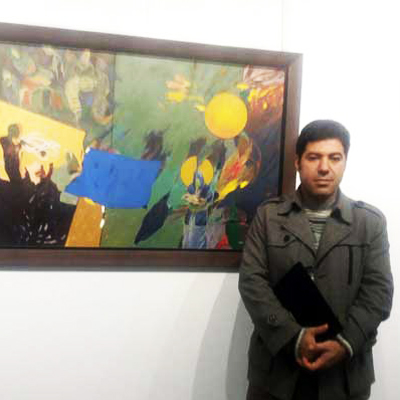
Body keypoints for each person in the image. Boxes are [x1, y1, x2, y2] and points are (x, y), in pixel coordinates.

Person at [238, 120, 393, 400]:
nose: (324, 167)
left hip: (345, 378)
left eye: (334, 158)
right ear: (298, 162)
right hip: (276, 376)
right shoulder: (269, 217)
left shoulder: (370, 222)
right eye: (314, 157)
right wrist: (293, 336)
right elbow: (252, 282)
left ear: (345, 161)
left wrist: (346, 342)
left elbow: (379, 291)